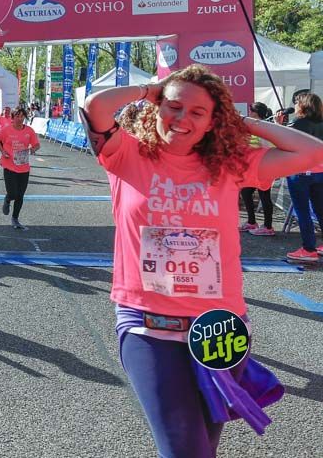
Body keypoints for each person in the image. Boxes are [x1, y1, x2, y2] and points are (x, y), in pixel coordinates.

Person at [82, 64, 323, 458]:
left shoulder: (229, 165)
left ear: (213, 122)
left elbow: (313, 151)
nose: (182, 119)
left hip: (220, 329)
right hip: (148, 326)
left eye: (198, 113)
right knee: (185, 451)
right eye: (174, 107)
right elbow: (97, 105)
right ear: (157, 107)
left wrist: (237, 118)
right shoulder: (126, 154)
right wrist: (151, 89)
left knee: (201, 449)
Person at [280, 92, 323, 262]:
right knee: (320, 210)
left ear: (303, 105)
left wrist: (279, 125)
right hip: (320, 172)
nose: (295, 105)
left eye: (297, 102)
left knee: (303, 211)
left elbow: (283, 143)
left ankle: (308, 249)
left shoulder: (298, 123)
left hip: (300, 174)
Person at [0, 107, 41, 231]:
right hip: (9, 165)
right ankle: (7, 199)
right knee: (13, 193)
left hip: (23, 166)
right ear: (13, 117)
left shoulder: (29, 131)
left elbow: (37, 144)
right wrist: (3, 151)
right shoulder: (6, 130)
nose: (20, 118)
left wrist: (33, 149)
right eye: (17, 116)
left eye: (22, 116)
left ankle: (15, 219)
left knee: (20, 195)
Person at [239, 103, 275, 237]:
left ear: (256, 112)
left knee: (264, 195)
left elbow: (266, 146)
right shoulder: (254, 127)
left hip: (264, 168)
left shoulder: (263, 127)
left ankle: (268, 227)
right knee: (246, 192)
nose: (249, 112)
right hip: (254, 169)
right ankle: (252, 222)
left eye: (251, 110)